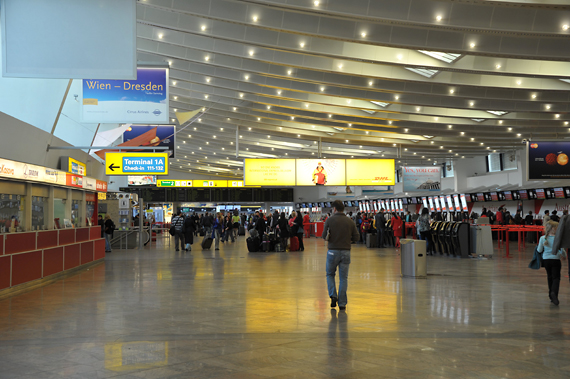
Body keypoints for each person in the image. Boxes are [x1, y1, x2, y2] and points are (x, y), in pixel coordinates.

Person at [322, 200, 360, 311]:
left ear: (334, 209)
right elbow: (356, 237)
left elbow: (324, 236)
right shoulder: (350, 221)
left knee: (330, 274)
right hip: (346, 252)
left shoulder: (329, 220)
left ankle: (333, 295)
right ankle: (342, 303)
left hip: (332, 251)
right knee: (343, 278)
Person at [538, 221, 566, 305]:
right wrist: (564, 256)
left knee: (549, 277)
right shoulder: (558, 238)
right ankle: (554, 294)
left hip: (546, 260)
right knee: (556, 278)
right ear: (554, 229)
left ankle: (551, 295)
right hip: (556, 260)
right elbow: (563, 251)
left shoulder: (543, 238)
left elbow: (539, 250)